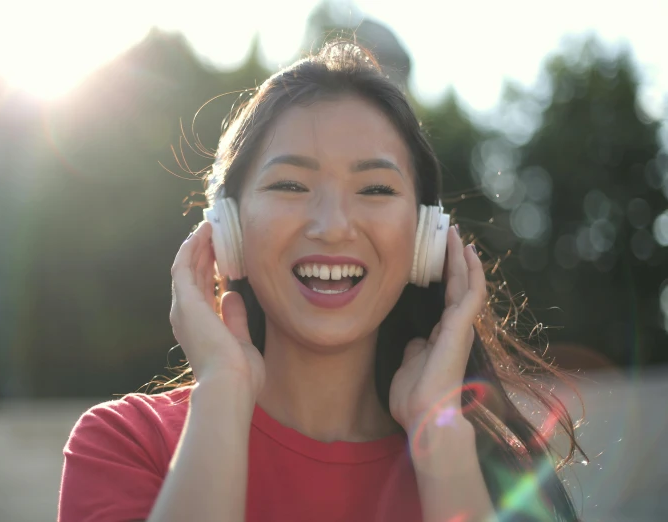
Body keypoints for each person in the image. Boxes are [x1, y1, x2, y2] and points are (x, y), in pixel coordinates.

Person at [57, 40, 585, 522]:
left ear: (426, 239)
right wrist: (222, 391)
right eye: (290, 184)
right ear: (228, 228)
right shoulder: (124, 443)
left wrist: (437, 435)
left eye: (375, 189)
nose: (332, 226)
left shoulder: (498, 478)